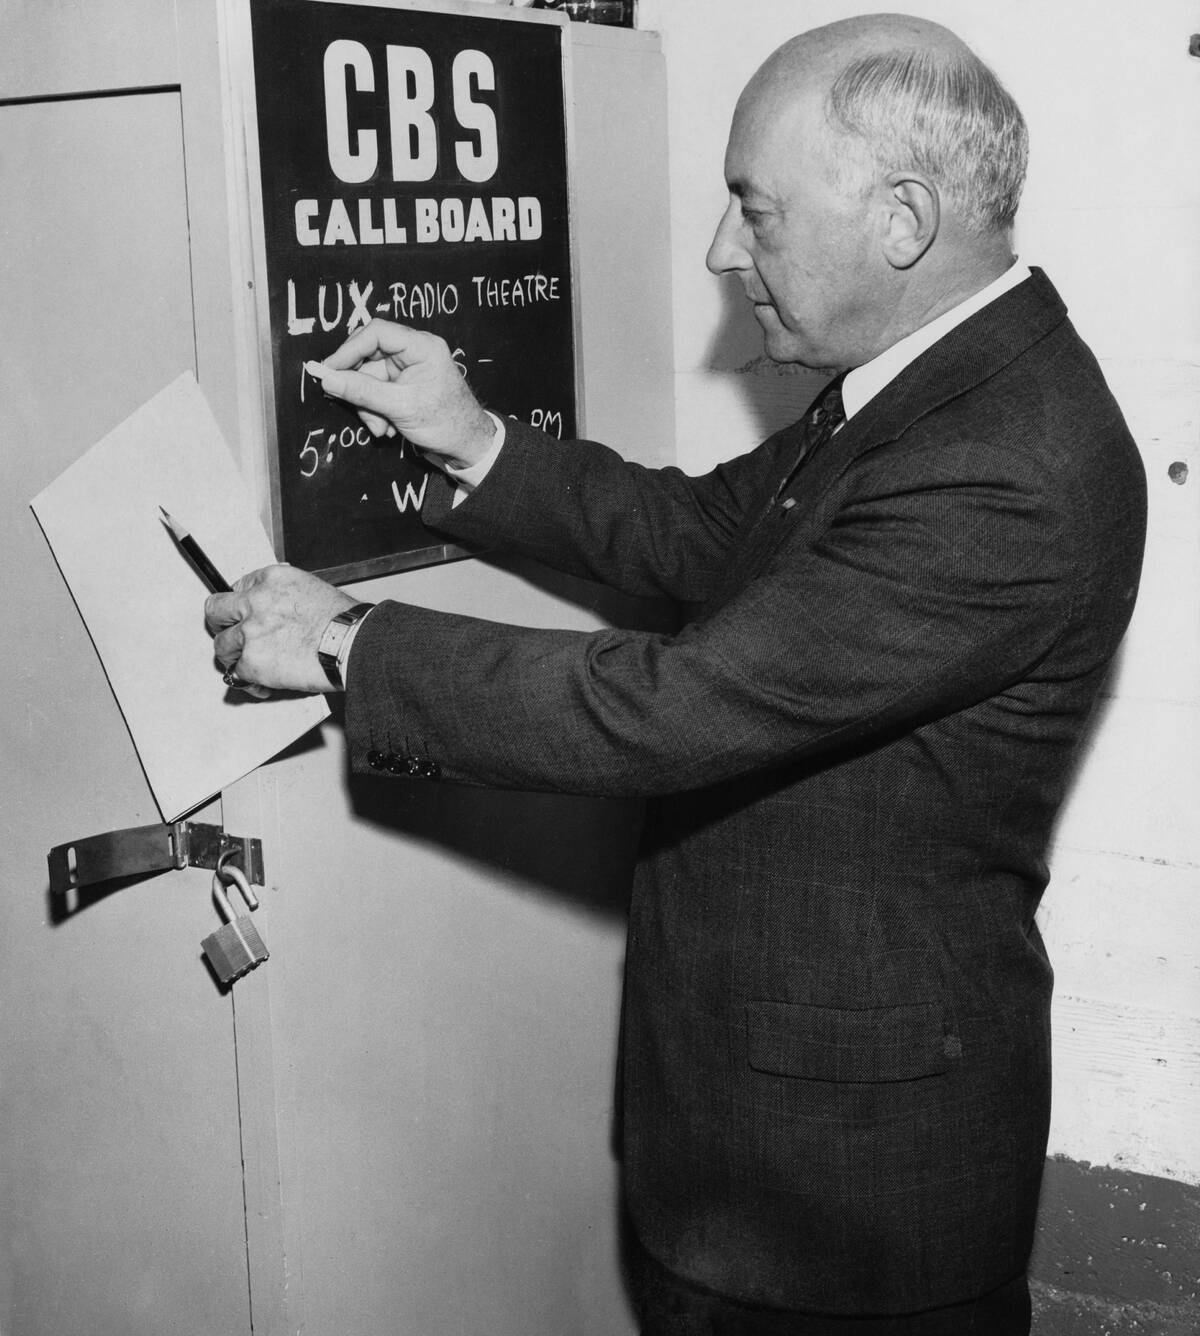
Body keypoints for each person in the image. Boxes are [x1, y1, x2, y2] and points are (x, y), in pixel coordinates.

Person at [206, 14, 1146, 1334]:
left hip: (845, 1200)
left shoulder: (1004, 464)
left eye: (754, 212)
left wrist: (347, 643)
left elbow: (677, 707)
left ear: (902, 219)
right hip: (755, 1138)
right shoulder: (927, 390)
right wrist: (473, 438)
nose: (718, 251)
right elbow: (700, 530)